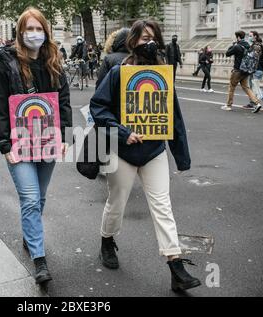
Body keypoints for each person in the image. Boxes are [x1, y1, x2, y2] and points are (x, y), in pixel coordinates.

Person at [89, 20, 201, 292]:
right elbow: (98, 108)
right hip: (123, 151)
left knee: (163, 206)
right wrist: (122, 132)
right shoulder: (118, 72)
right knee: (116, 204)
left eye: (152, 38)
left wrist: (181, 156)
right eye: (143, 38)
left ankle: (176, 266)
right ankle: (107, 240)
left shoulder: (163, 75)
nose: (148, 43)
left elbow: (174, 116)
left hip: (153, 151)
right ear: (132, 42)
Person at [0, 7, 72, 285]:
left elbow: (63, 104)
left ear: (46, 32)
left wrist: (65, 137)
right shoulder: (8, 64)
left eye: (39, 29)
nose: (34, 34)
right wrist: (4, 144)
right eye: (29, 29)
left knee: (41, 197)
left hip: (48, 141)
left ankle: (30, 236)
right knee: (30, 198)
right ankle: (39, 259)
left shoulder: (54, 62)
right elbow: (0, 106)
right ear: (20, 33)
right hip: (19, 144)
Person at [222, 30, 261, 113]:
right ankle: (257, 103)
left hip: (237, 70)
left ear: (238, 37)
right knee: (246, 87)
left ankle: (228, 105)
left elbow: (227, 53)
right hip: (246, 70)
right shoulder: (248, 45)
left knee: (232, 87)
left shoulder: (237, 46)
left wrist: (233, 45)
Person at [246, 31, 263, 109]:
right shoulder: (260, 44)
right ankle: (255, 102)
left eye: (250, 36)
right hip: (259, 69)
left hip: (256, 69)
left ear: (255, 36)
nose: (249, 37)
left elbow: (254, 58)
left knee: (254, 87)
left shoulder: (256, 45)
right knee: (254, 86)